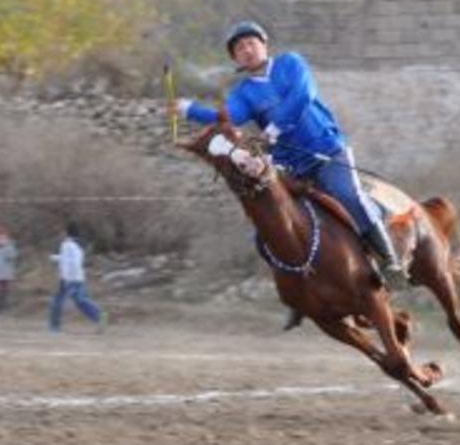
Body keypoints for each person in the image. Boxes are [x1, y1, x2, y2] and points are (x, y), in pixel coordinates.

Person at [173, 21, 406, 287]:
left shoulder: (291, 63)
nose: (246, 50)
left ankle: (390, 263)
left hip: (326, 150)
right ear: (235, 58)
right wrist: (189, 109)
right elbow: (228, 118)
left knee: (348, 196)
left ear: (264, 44)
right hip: (290, 165)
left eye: (251, 43)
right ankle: (298, 289)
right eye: (239, 48)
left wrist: (273, 128)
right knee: (272, 218)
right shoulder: (243, 93)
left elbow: (303, 95)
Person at [48, 222, 107, 333]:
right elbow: (70, 259)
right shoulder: (78, 245)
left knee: (57, 302)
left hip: (68, 278)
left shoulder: (66, 244)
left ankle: (54, 327)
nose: (61, 233)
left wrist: (65, 278)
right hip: (78, 277)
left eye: (63, 231)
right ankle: (99, 315)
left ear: (67, 232)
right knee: (80, 301)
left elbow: (70, 262)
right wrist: (55, 258)